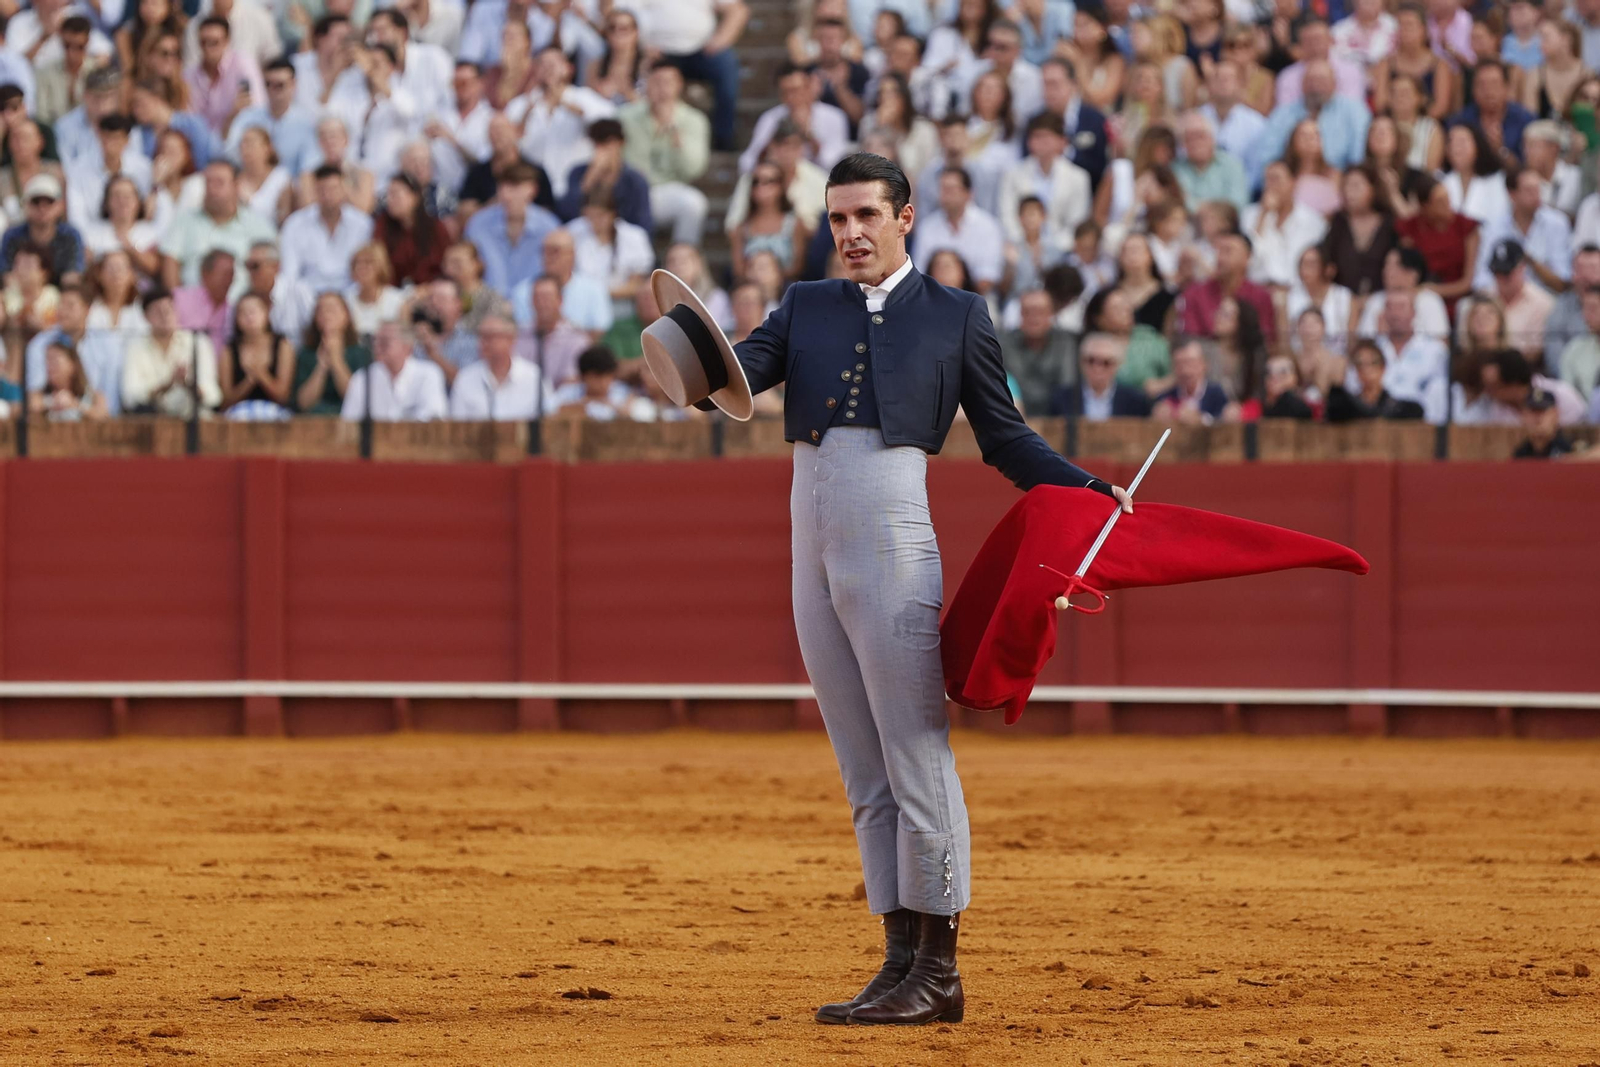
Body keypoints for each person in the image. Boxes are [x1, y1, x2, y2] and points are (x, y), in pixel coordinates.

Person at [700, 151, 1130, 1027]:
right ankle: (899, 964)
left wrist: (1089, 491)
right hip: (810, 543)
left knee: (916, 753)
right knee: (864, 766)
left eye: (865, 216)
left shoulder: (958, 315)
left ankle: (941, 971)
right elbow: (732, 377)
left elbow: (1006, 439)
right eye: (836, 219)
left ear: (905, 219)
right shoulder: (806, 304)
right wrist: (687, 359)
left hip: (894, 536)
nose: (849, 233)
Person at [634, 0, 748, 151]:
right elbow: (623, 12)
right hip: (657, 54)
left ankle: (724, 136)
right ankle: (642, 138)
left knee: (726, 66)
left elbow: (738, 10)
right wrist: (641, 44)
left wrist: (721, 39)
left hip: (702, 50)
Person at [619, 61, 711, 246]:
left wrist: (676, 138)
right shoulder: (624, 117)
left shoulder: (694, 120)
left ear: (679, 85)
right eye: (656, 82)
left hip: (667, 190)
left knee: (694, 203)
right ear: (647, 84)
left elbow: (694, 170)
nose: (662, 88)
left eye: (668, 82)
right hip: (631, 191)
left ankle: (680, 263)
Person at [158, 159, 273, 299]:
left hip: (241, 310)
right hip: (192, 310)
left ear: (236, 186)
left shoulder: (258, 225)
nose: (212, 189)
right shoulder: (184, 220)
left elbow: (272, 268)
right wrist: (179, 303)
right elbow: (170, 262)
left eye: (219, 183)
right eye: (208, 183)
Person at [121, 286, 222, 417]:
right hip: (152, 423)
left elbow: (212, 396)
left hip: (193, 423)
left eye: (169, 309)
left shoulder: (198, 342)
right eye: (158, 311)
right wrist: (167, 384)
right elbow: (130, 397)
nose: (165, 315)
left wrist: (187, 383)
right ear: (145, 317)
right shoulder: (135, 348)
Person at [464, 162, 559, 296]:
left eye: (515, 187)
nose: (506, 195)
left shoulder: (549, 227)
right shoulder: (478, 224)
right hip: (487, 306)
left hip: (534, 307)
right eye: (502, 187)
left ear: (532, 190)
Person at [741, 61, 852, 176]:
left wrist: (808, 134)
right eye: (785, 92)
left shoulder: (834, 117)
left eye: (796, 90)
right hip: (780, 182)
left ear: (808, 87)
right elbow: (746, 163)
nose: (791, 97)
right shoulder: (771, 118)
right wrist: (771, 146)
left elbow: (832, 164)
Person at [1472, 168, 1573, 294]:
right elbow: (1481, 278)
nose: (1536, 196)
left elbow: (1563, 281)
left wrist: (1529, 260)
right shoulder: (1494, 226)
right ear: (1512, 194)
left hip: (1547, 301)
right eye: (1529, 190)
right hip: (1502, 300)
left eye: (1538, 189)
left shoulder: (1557, 223)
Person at [997, 112, 1090, 245]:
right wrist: (1025, 246)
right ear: (1029, 142)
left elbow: (1077, 222)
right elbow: (1006, 216)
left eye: (1047, 137)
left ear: (1062, 142)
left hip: (1062, 250)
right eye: (1037, 137)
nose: (1042, 143)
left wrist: (1053, 249)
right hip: (1020, 248)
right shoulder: (1013, 174)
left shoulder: (1078, 177)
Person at [912, 167, 1005, 295]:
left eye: (951, 189)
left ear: (968, 193)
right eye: (943, 189)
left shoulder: (987, 226)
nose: (946, 195)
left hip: (978, 298)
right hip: (934, 298)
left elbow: (988, 276)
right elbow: (919, 273)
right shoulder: (927, 227)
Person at [340, 319, 447, 422]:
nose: (377, 347)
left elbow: (434, 417)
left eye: (384, 342)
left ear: (407, 347)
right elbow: (349, 421)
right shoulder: (363, 377)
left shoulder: (428, 374)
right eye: (375, 341)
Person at [1180, 230, 1275, 344]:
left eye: (1228, 251)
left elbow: (1266, 341)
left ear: (1248, 257)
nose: (1220, 258)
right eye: (1218, 251)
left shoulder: (1260, 296)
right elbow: (1191, 339)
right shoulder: (1194, 294)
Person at [227, 57, 318, 177]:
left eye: (280, 85)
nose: (273, 90)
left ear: (293, 84)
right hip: (251, 186)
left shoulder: (306, 123)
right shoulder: (247, 118)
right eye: (268, 84)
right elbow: (230, 155)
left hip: (291, 189)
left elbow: (309, 167)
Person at [556, 118, 652, 230]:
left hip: (622, 239)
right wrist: (589, 179)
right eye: (597, 143)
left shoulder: (634, 180)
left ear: (621, 143)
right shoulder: (578, 173)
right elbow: (566, 213)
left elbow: (643, 223)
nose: (601, 149)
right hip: (584, 236)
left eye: (607, 142)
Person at [448, 313, 543, 421]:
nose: (482, 343)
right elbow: (457, 429)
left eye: (489, 337)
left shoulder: (534, 378)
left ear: (510, 339)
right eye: (480, 336)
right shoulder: (464, 379)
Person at [1373, 292, 1449, 422]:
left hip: (1421, 424)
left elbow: (1440, 395)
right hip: (1378, 421)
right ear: (1384, 313)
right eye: (1390, 307)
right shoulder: (1372, 348)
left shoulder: (1435, 350)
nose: (1395, 314)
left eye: (1401, 307)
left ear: (1413, 312)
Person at [293, 290, 370, 414]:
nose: (326, 314)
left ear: (346, 315)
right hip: (313, 422)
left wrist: (336, 361)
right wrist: (321, 367)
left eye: (332, 309)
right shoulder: (306, 354)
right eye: (320, 310)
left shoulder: (361, 353)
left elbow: (357, 399)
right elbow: (303, 403)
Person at [998, 288, 1074, 414]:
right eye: (1027, 312)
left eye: (1040, 312)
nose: (1033, 318)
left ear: (1051, 314)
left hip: (1057, 416)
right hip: (1016, 416)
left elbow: (1067, 385)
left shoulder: (1065, 343)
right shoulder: (1005, 344)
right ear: (1020, 314)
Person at [218, 290, 294, 415]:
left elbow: (283, 396)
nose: (249, 317)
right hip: (238, 414)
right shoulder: (228, 351)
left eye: (254, 312)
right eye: (243, 313)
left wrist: (261, 374)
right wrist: (249, 380)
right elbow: (226, 401)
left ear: (266, 313)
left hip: (275, 413)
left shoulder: (283, 345)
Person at [1448, 60, 1534, 164]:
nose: (1488, 91)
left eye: (1494, 84)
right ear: (1473, 90)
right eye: (1482, 85)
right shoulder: (1461, 122)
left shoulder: (1526, 121)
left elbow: (1526, 169)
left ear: (1506, 88)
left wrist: (1500, 150)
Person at [1048, 332, 1152, 418]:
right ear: (1081, 362)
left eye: (1106, 363)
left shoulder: (1135, 401)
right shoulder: (1062, 398)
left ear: (1117, 365)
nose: (1097, 368)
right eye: (1091, 361)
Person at [0, 175, 84, 279]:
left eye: (49, 202)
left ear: (60, 206)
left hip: (62, 293)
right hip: (21, 293)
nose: (42, 208)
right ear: (25, 205)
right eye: (36, 202)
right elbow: (6, 276)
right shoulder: (12, 236)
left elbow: (73, 277)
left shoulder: (70, 235)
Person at [1324, 339, 1426, 421]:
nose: (1366, 369)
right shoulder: (1346, 407)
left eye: (1372, 363)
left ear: (1383, 368)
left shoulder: (1397, 407)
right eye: (1360, 364)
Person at [523, 275, 590, 390]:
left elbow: (571, 383)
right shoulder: (518, 336)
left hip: (560, 403)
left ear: (560, 300)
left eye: (547, 298)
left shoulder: (577, 339)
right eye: (537, 297)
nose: (542, 303)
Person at [1152, 336, 1238, 424]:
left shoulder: (1218, 394)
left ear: (1204, 364)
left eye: (1190, 363)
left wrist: (1201, 419)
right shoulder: (1166, 396)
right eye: (1179, 364)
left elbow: (1225, 420)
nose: (1185, 371)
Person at [172, 246, 234, 354]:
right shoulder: (179, 299)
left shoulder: (233, 311)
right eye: (223, 274)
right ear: (205, 274)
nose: (228, 280)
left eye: (231, 274)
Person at [31, 339, 109, 421]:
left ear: (72, 364)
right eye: (47, 360)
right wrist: (49, 403)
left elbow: (104, 417)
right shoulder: (39, 395)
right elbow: (28, 409)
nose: (49, 367)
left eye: (54, 360)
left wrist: (74, 404)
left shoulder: (94, 395)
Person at [1556, 286, 1600, 402]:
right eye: (1583, 308)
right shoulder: (1574, 349)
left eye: (1592, 308)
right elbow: (1567, 397)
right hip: (1583, 418)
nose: (1585, 315)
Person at [1511, 388, 1576, 458]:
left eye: (1543, 412)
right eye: (1533, 412)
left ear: (1556, 414)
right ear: (1523, 416)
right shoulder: (1520, 456)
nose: (1538, 418)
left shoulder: (1571, 450)